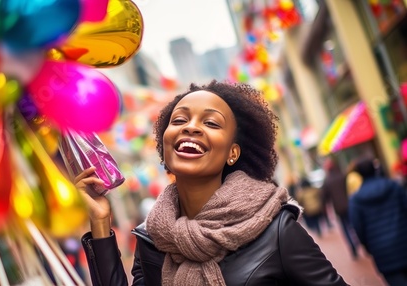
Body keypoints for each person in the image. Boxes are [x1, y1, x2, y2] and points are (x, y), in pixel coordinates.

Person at [75, 80, 348, 285]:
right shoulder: (152, 239)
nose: (191, 127)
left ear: (233, 152)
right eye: (179, 119)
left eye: (212, 123)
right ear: (164, 143)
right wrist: (100, 222)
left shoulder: (276, 230)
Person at [349, 157, 407, 286]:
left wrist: (368, 247)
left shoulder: (356, 200)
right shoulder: (393, 186)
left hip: (383, 253)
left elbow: (358, 228)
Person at [320, 158, 359, 259]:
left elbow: (325, 198)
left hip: (338, 208)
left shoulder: (327, 181)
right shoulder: (343, 176)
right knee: (353, 224)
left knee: (345, 228)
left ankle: (352, 246)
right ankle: (358, 241)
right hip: (349, 205)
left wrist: (325, 211)